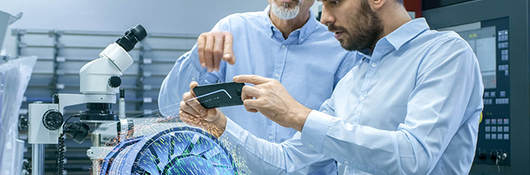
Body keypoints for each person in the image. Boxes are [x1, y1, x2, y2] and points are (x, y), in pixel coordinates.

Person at [179, 0, 485, 174]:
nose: (324, 18)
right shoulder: (354, 79)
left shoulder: (445, 54)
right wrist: (221, 127)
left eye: (334, 2)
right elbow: (288, 162)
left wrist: (298, 116)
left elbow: (414, 156)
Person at [158, 0, 355, 173]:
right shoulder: (230, 30)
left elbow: (331, 141)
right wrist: (197, 57)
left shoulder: (340, 48)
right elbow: (169, 108)